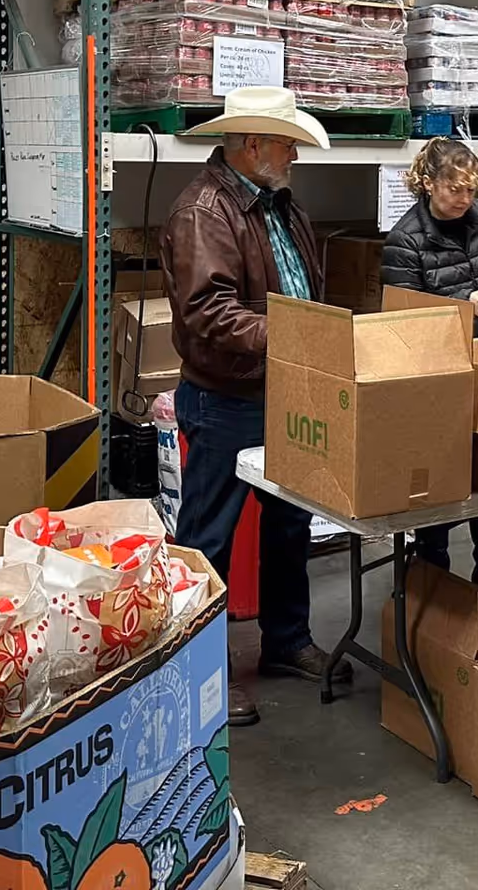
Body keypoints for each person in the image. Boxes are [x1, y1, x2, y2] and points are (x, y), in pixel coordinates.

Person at [162, 86, 347, 728]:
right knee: (209, 534)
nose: (294, 152)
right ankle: (199, 666)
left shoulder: (279, 206)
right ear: (251, 144)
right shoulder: (204, 211)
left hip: (281, 389)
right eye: (286, 141)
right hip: (227, 397)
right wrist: (298, 336)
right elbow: (209, 312)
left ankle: (287, 640)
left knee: (290, 521)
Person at [381, 137, 478, 574]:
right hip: (437, 375)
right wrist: (466, 307)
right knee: (440, 480)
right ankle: (430, 580)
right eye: (455, 189)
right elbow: (407, 323)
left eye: (472, 190)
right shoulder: (404, 241)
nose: (465, 200)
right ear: (429, 184)